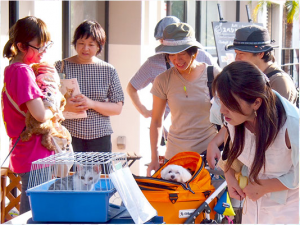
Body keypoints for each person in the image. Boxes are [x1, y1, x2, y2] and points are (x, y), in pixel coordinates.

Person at [212, 61, 299, 224]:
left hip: (289, 209)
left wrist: (264, 187)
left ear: (256, 102)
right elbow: (232, 152)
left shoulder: (291, 124)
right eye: (220, 101)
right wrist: (229, 176)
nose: (222, 110)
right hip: (253, 205)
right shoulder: (232, 116)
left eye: (229, 104)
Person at [207, 25, 298, 169]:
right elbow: (236, 117)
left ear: (260, 54)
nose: (237, 58)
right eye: (236, 53)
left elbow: (274, 127)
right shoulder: (243, 78)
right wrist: (215, 142)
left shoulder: (279, 82)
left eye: (241, 53)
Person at [147, 23, 221, 176]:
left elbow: (232, 115)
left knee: (211, 200)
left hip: (207, 155)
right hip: (175, 158)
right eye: (172, 55)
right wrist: (154, 157)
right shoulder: (163, 80)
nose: (177, 60)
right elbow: (156, 121)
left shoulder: (213, 74)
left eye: (181, 54)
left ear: (193, 53)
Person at [127, 16, 215, 142]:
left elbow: (221, 83)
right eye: (161, 41)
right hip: (169, 130)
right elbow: (132, 87)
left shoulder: (202, 56)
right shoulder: (153, 63)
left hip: (203, 130)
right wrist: (144, 111)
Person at [1, 16, 56, 214]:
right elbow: (40, 114)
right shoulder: (22, 72)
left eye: (46, 46)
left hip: (25, 152)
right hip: (35, 153)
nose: (44, 52)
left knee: (33, 209)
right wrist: (55, 106)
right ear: (22, 46)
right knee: (36, 213)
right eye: (39, 47)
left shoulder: (12, 70)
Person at [55, 20, 124, 152]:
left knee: (101, 173)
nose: (85, 48)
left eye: (91, 45)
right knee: (70, 173)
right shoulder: (61, 66)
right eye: (81, 43)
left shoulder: (108, 70)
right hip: (68, 134)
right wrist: (65, 105)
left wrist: (91, 104)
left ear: (99, 46)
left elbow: (117, 108)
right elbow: (48, 100)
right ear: (75, 43)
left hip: (100, 135)